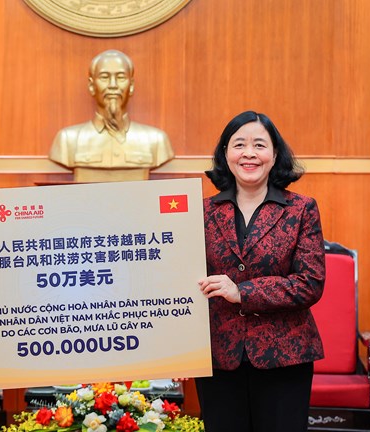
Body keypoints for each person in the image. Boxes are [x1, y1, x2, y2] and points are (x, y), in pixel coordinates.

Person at [196, 111, 325, 432]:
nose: (249, 153)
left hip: (285, 357)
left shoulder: (301, 209)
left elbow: (309, 283)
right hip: (217, 356)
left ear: (275, 154)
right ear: (225, 154)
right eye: (239, 144)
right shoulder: (201, 212)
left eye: (259, 145)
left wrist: (242, 292)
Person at [49, 49, 174, 182]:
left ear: (131, 85)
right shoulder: (67, 140)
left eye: (121, 77)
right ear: (91, 85)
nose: (113, 85)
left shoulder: (156, 140)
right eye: (104, 77)